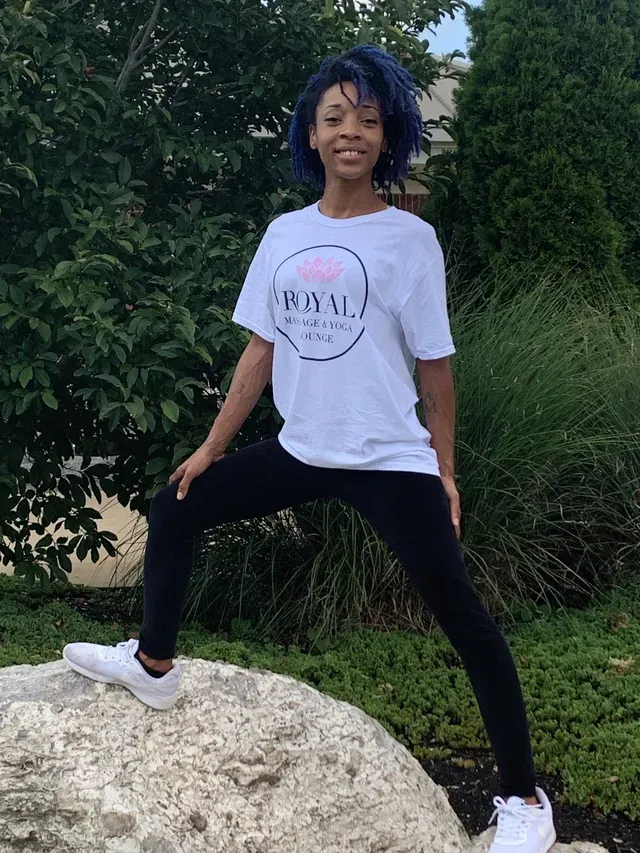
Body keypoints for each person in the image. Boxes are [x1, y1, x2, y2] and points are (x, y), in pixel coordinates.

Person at [63, 45, 557, 853]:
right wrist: (211, 447)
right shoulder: (285, 233)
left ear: (387, 135)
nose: (350, 131)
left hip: (390, 461)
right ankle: (153, 665)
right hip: (302, 449)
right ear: (313, 134)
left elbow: (436, 366)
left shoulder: (409, 239)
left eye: (368, 119)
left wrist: (445, 470)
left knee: (464, 619)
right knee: (175, 504)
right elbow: (260, 351)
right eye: (335, 118)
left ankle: (524, 798)